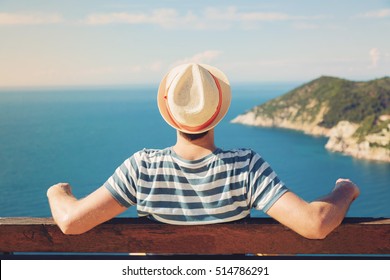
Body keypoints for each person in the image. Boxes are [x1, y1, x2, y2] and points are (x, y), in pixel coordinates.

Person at [47, 63, 360, 239]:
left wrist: (57, 192)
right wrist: (344, 190)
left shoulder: (142, 167)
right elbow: (315, 224)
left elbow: (72, 222)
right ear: (218, 111)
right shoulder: (245, 166)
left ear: (170, 114)